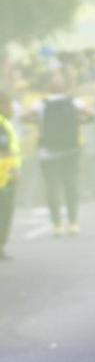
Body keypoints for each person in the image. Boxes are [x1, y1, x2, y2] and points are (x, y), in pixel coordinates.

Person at [28, 74, 89, 236]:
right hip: (71, 150)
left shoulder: (41, 104)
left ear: (49, 88)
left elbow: (25, 116)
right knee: (71, 185)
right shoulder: (74, 102)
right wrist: (79, 121)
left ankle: (56, 225)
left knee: (52, 188)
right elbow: (93, 114)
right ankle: (73, 223)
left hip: (48, 152)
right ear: (65, 88)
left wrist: (38, 123)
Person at [0, 94, 17, 261]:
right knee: (4, 212)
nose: (11, 108)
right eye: (9, 104)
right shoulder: (1, 124)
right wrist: (12, 171)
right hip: (2, 177)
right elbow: (4, 151)